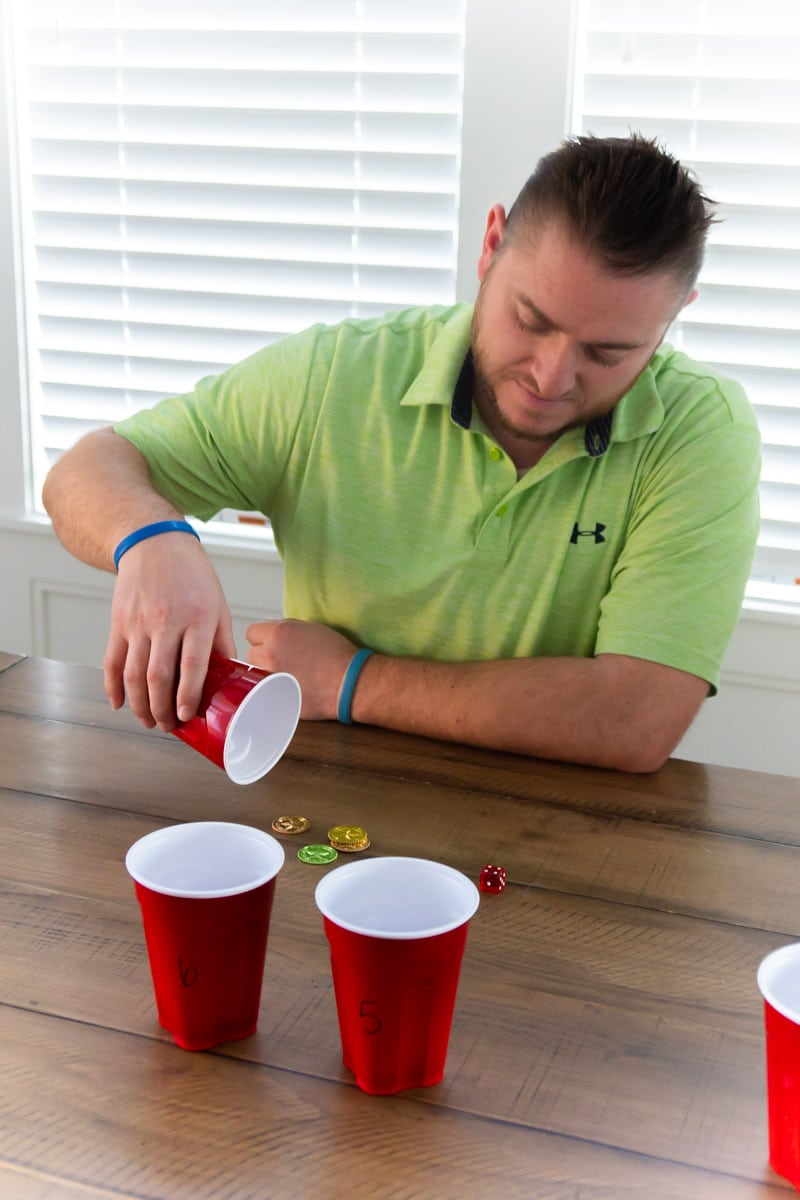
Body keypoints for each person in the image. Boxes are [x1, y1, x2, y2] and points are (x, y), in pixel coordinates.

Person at [42, 133, 761, 773]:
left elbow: (634, 720)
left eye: (607, 352)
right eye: (530, 318)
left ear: (675, 315)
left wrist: (351, 681)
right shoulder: (334, 377)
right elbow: (87, 470)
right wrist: (154, 541)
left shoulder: (703, 431)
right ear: (491, 244)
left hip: (565, 839)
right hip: (332, 807)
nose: (550, 377)